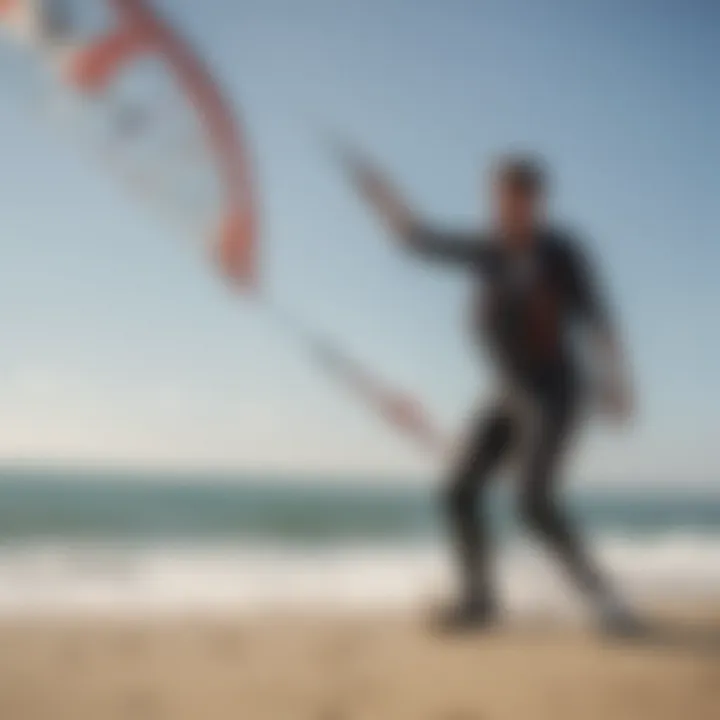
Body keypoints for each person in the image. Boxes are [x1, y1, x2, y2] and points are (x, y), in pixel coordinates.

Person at [339, 148, 639, 634]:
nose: (506, 209)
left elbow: (599, 319)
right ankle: (480, 603)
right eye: (499, 199)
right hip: (508, 391)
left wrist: (619, 381)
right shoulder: (489, 250)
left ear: (538, 201)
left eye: (518, 199)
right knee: (458, 491)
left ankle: (607, 602)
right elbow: (415, 239)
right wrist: (382, 195)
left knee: (532, 502)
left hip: (556, 388)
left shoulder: (561, 253)